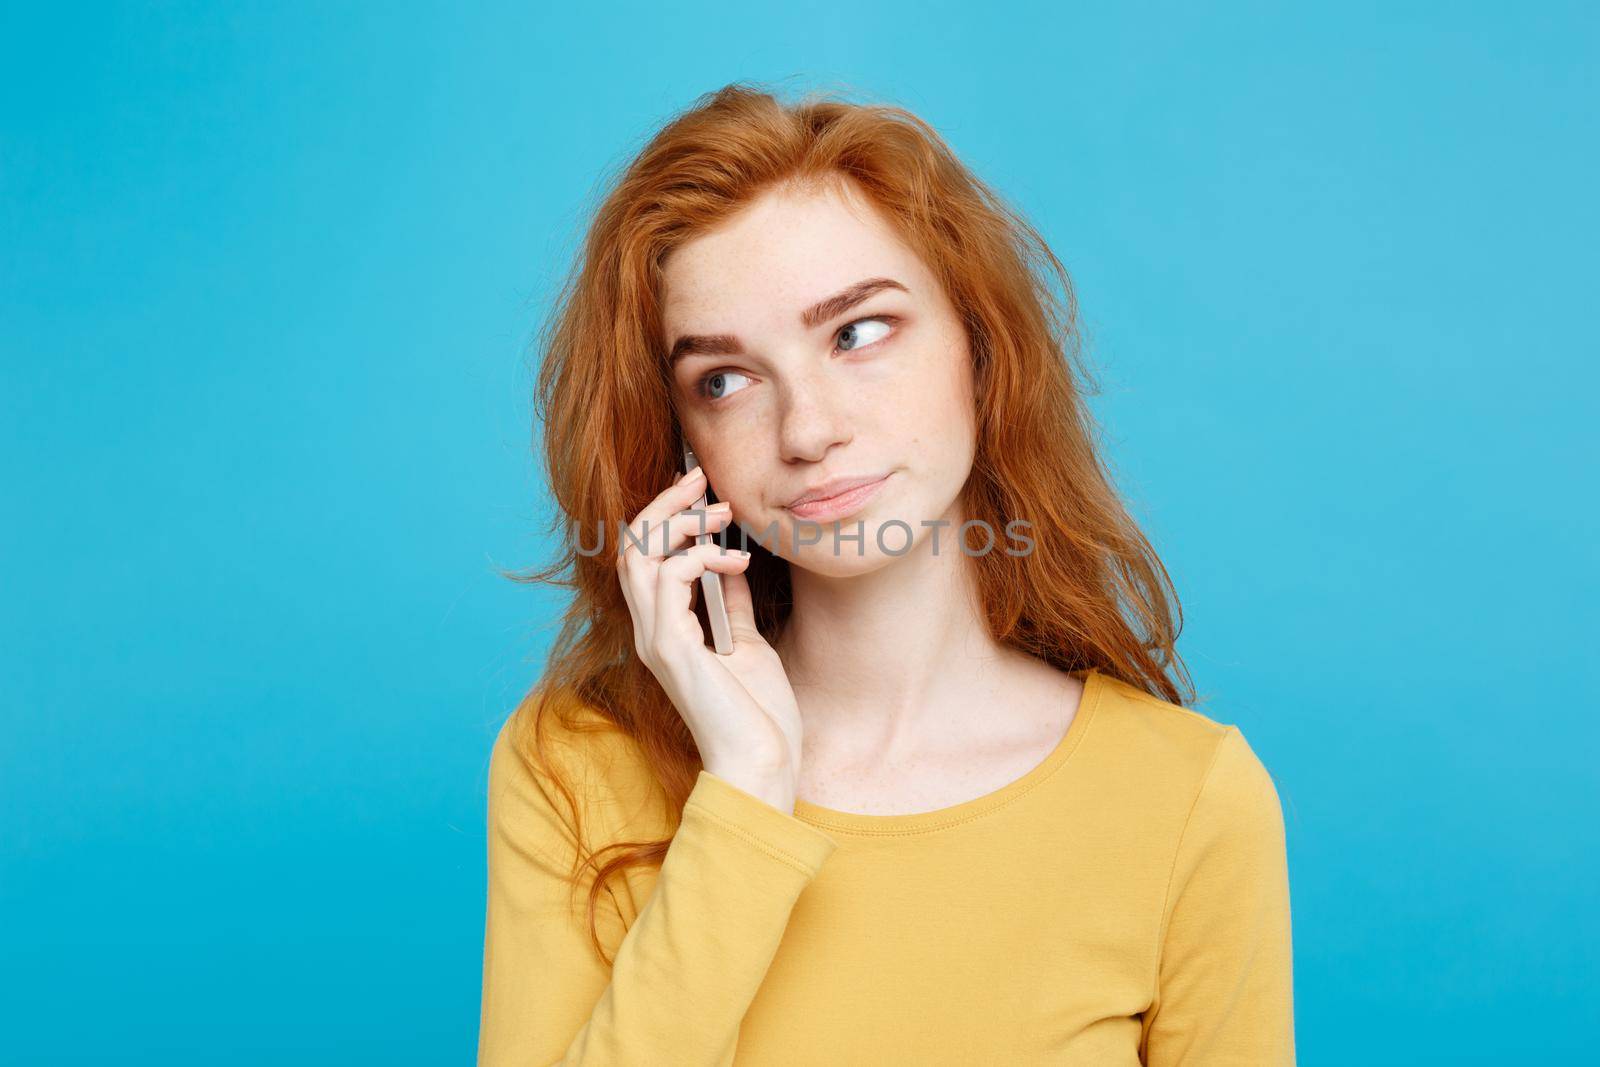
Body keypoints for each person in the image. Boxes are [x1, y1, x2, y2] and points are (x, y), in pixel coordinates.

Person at [477, 82, 1295, 1065]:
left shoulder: (1188, 798)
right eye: (724, 379)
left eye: (857, 332)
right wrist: (745, 789)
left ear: (980, 347)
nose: (809, 429)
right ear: (683, 443)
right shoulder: (575, 763)